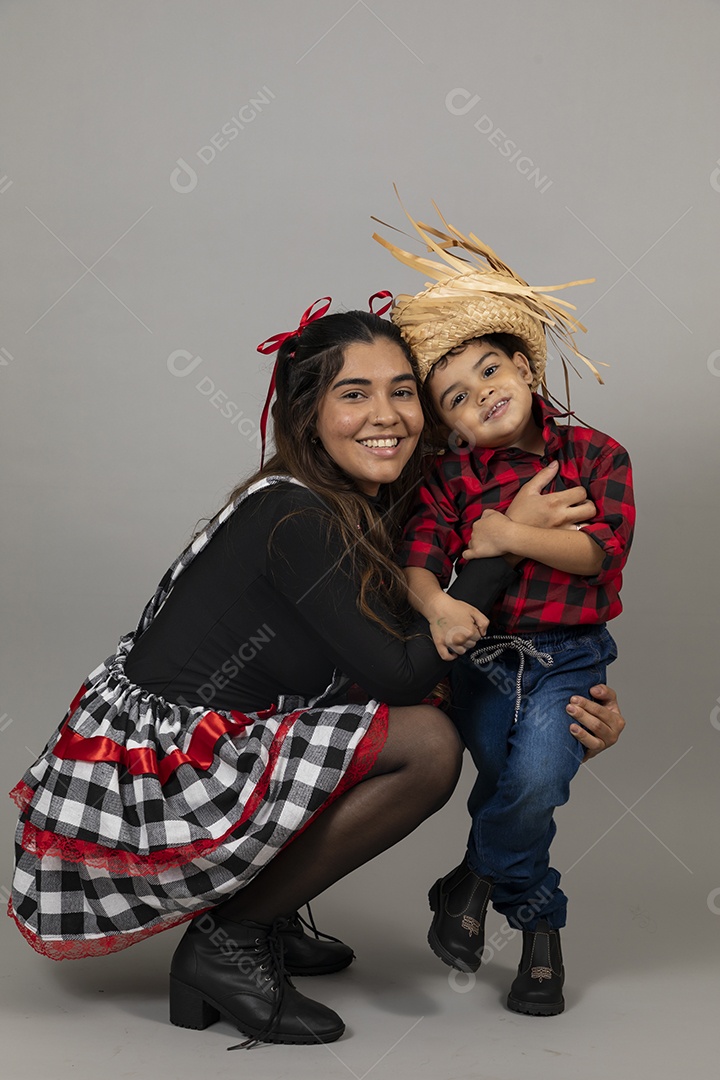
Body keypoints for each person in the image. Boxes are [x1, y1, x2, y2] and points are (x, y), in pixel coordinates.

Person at [8, 298, 625, 1049]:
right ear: (308, 415)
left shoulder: (366, 497)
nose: (388, 414)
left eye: (403, 390)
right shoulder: (298, 520)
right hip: (160, 778)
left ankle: (261, 909)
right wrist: (496, 552)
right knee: (427, 746)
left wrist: (555, 711)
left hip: (227, 733)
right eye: (354, 393)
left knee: (402, 705)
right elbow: (404, 676)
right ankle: (231, 939)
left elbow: (413, 641)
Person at [375, 206, 635, 1016]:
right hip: (487, 664)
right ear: (444, 424)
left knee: (532, 780)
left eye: (490, 372)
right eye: (454, 396)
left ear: (525, 366)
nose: (479, 396)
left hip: (571, 657)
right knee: (511, 782)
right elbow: (419, 566)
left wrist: (505, 531)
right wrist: (441, 606)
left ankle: (478, 881)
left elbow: (599, 554)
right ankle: (537, 936)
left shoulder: (596, 455)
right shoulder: (450, 482)